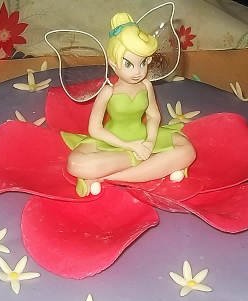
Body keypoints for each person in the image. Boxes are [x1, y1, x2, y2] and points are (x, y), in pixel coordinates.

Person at [62, 12, 196, 197]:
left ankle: (104, 177)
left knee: (188, 150)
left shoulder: (146, 85)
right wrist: (131, 146)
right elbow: (95, 129)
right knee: (76, 163)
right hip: (112, 140)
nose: (138, 72)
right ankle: (154, 166)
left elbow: (153, 115)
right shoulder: (108, 91)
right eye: (128, 64)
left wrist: (149, 142)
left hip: (144, 137)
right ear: (113, 63)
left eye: (143, 63)